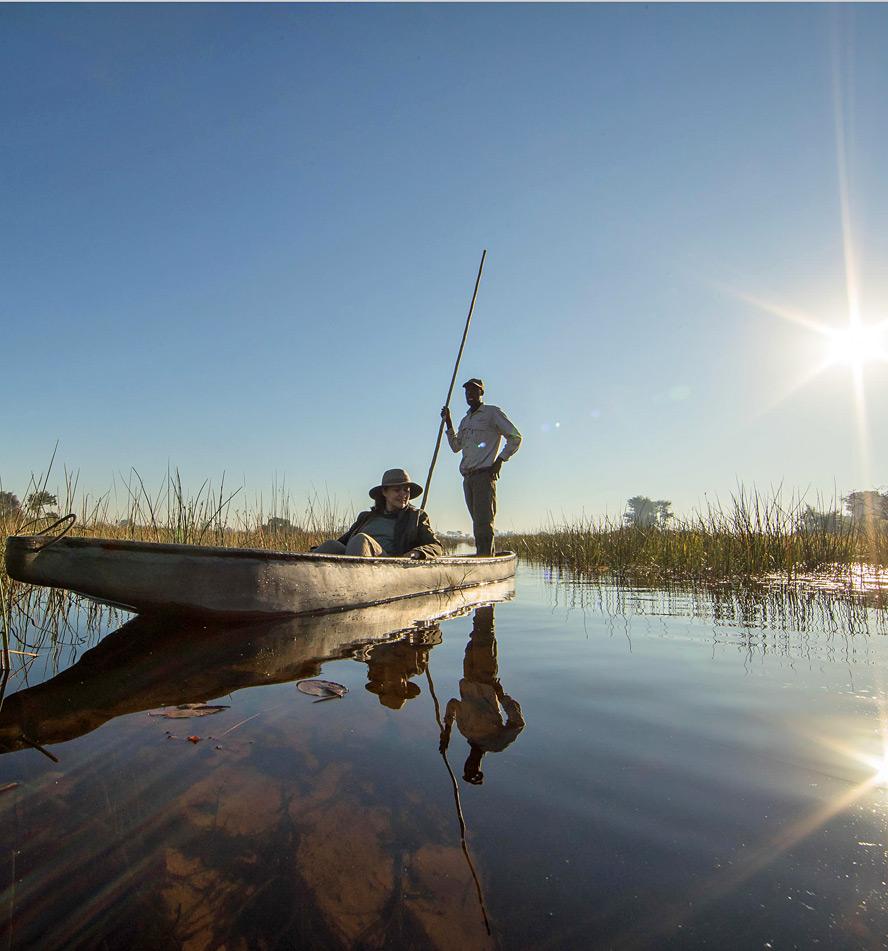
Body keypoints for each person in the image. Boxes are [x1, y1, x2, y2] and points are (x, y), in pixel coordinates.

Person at [438, 605, 525, 784]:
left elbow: (453, 703)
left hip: (468, 675)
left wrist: (447, 729)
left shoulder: (464, 730)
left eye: (467, 766)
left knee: (476, 633)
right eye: (473, 768)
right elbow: (517, 723)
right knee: (483, 632)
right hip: (485, 677)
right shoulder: (496, 743)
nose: (470, 763)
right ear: (478, 767)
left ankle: (483, 599)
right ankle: (486, 597)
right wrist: (501, 696)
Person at [441, 378, 522, 556]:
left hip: (484, 475)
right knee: (476, 522)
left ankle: (485, 558)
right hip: (468, 477)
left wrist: (500, 460)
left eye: (474, 390)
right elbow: (456, 447)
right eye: (467, 391)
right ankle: (482, 556)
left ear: (481, 393)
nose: (470, 394)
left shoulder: (492, 413)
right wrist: (448, 423)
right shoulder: (465, 421)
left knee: (484, 523)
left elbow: (515, 437)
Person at [312, 468, 444, 559]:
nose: (403, 494)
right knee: (331, 544)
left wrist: (417, 553)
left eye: (406, 490)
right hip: (355, 559)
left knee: (360, 539)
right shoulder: (366, 517)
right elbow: (342, 542)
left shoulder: (416, 517)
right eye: (397, 490)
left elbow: (436, 546)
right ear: (384, 492)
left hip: (385, 565)